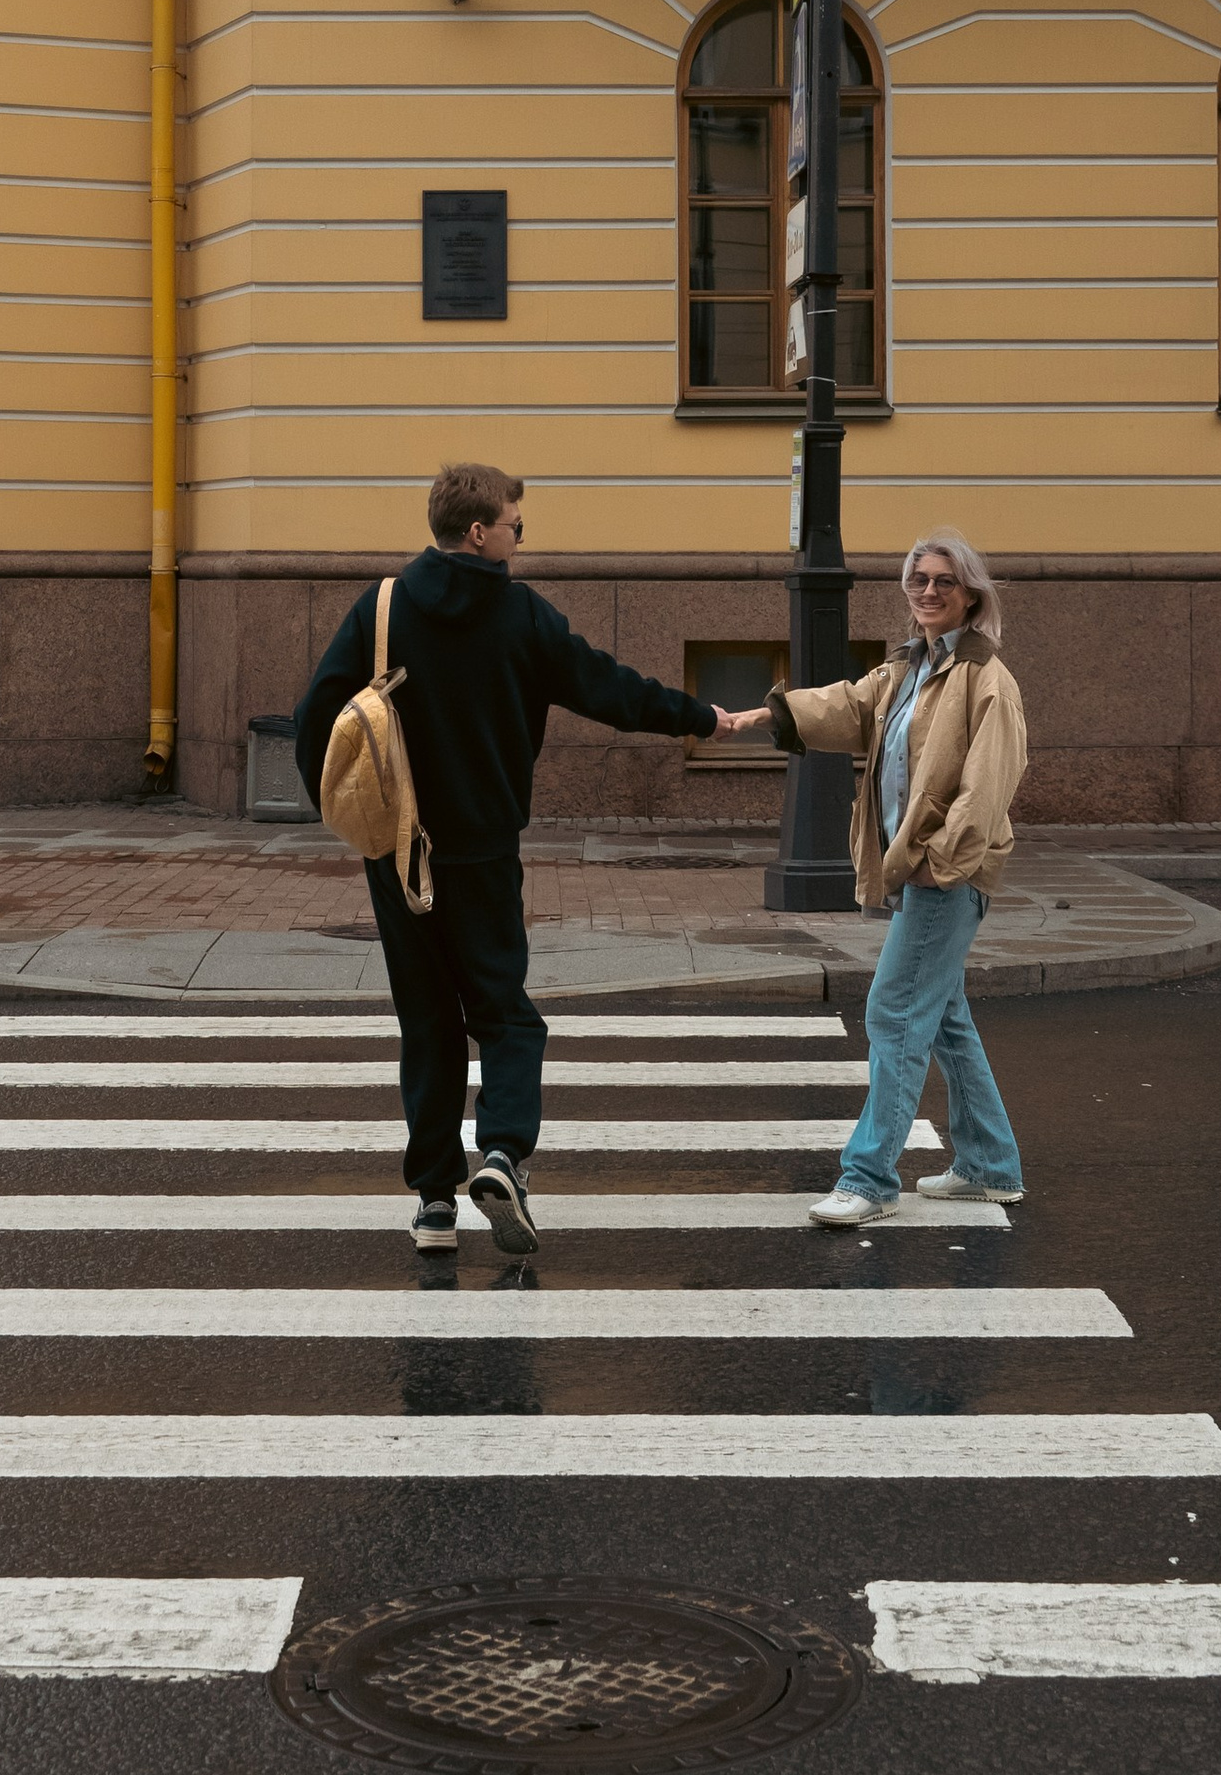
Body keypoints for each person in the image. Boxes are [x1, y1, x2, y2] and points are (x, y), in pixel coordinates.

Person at [292, 462, 702, 1254]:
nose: (521, 537)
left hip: (397, 854)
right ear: (479, 531)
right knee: (506, 1015)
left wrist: (346, 814)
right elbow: (608, 688)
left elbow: (317, 718)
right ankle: (506, 1153)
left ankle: (435, 1204)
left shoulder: (381, 608)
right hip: (482, 852)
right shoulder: (520, 617)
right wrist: (698, 717)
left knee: (428, 1021)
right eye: (516, 524)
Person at [712, 527, 1027, 1224]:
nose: (928, 591)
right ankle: (989, 1165)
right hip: (924, 870)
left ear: (971, 593)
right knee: (943, 1018)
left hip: (945, 875)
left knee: (893, 1011)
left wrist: (940, 865)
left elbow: (987, 787)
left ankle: (870, 1178)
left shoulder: (984, 678)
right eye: (918, 580)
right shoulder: (911, 666)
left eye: (944, 581)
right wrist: (773, 714)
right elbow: (851, 705)